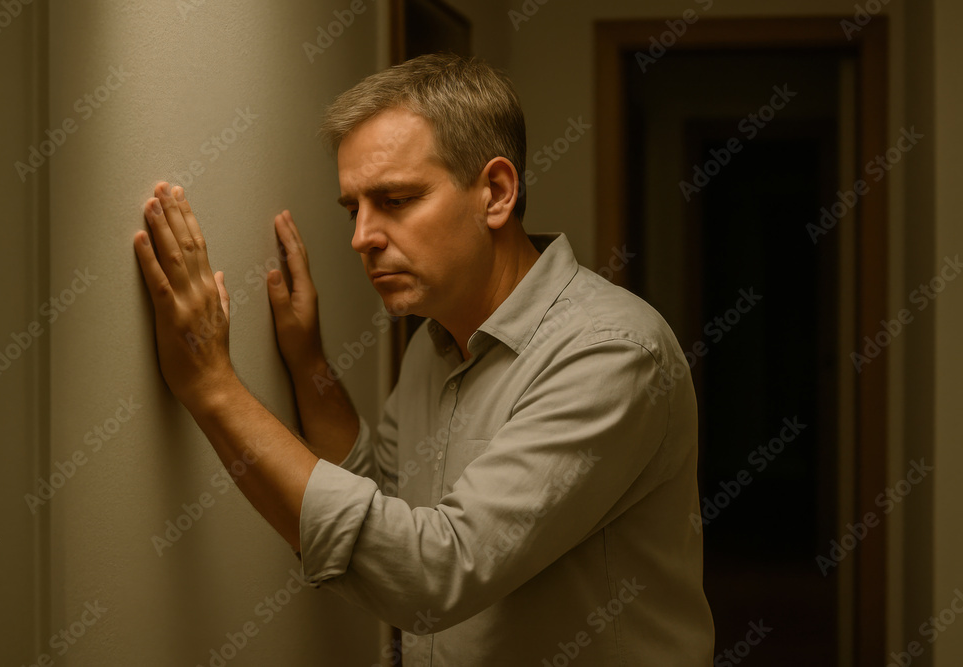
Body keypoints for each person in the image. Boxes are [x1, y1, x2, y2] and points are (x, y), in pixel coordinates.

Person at [132, 53, 714, 665]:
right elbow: (379, 501)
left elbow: (433, 573)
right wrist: (308, 366)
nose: (361, 237)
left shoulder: (610, 354)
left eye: (396, 199)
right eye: (353, 209)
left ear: (496, 193)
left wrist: (213, 387)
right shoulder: (432, 343)